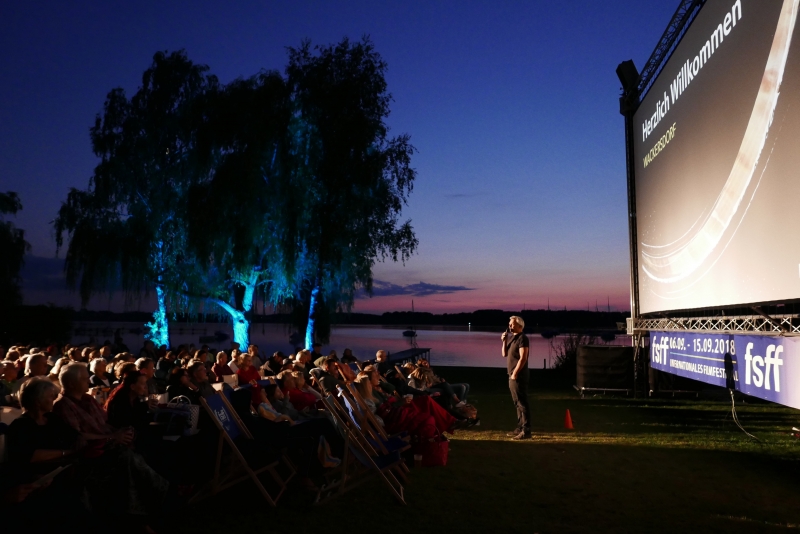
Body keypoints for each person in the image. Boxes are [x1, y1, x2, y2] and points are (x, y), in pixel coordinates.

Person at [502, 315, 530, 440]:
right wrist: (504, 340)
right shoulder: (513, 338)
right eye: (509, 323)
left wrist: (515, 373)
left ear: (520, 326)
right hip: (512, 375)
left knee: (522, 403)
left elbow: (523, 357)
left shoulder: (523, 338)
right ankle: (519, 427)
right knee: (516, 402)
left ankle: (526, 431)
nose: (510, 326)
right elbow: (504, 354)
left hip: (518, 375)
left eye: (512, 324)